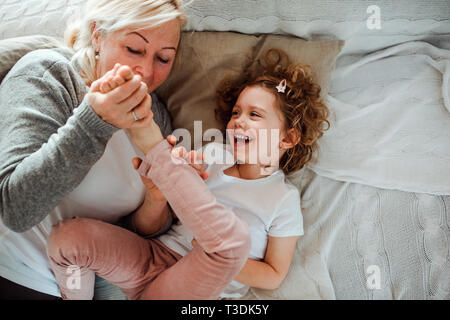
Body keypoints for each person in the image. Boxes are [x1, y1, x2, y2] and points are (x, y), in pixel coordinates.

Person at [46, 48, 330, 299]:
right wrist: (158, 194)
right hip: (155, 257)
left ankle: (150, 138)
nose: (238, 121)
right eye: (235, 113)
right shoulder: (212, 156)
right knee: (67, 238)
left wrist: (214, 251)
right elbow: (149, 227)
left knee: (231, 240)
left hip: (201, 284)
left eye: (254, 115)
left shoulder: (283, 199)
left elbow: (273, 275)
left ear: (288, 138)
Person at [0, 0, 191, 299]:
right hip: (17, 271)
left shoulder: (156, 115)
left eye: (163, 58)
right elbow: (14, 209)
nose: (146, 71)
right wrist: (95, 122)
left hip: (87, 280)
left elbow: (135, 231)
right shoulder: (51, 75)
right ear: (98, 35)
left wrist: (156, 198)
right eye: (134, 49)